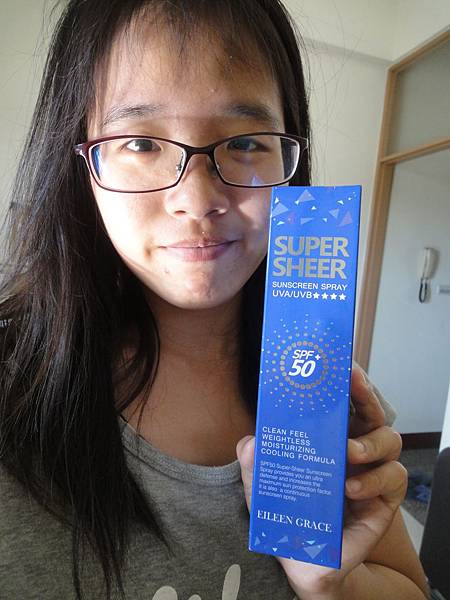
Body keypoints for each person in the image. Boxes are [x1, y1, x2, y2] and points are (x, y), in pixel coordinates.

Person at [0, 1, 429, 599]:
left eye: (246, 141)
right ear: (81, 163)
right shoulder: (13, 384)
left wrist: (333, 583)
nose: (197, 200)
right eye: (141, 143)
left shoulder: (320, 381)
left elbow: (411, 587)